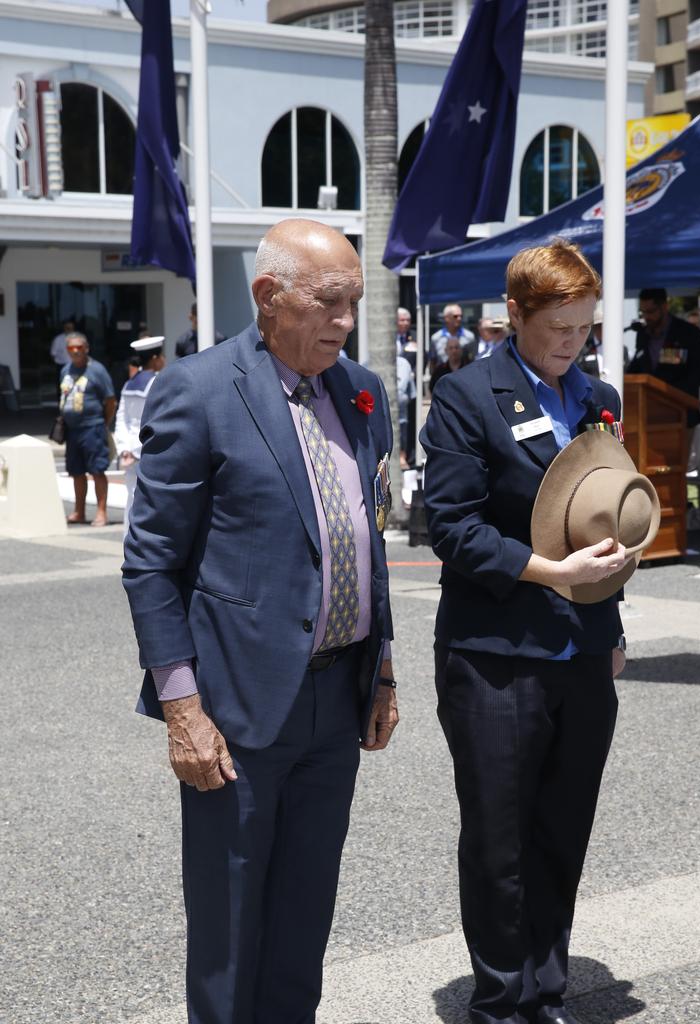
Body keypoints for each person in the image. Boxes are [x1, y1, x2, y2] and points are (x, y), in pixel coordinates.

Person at [122, 219, 399, 1024]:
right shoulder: (199, 391)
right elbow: (150, 563)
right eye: (330, 301)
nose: (345, 320)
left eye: (354, 301)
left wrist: (382, 668)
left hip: (336, 700)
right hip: (235, 708)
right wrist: (181, 708)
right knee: (230, 924)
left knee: (304, 919)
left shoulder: (364, 391)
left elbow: (369, 536)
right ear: (268, 297)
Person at [420, 240, 659, 1024]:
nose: (573, 344)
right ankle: (500, 999)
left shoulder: (594, 396)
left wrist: (611, 621)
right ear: (514, 314)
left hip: (583, 648)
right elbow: (451, 529)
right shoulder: (465, 395)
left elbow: (602, 521)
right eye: (558, 328)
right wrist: (551, 574)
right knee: (498, 839)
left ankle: (546, 990)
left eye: (585, 328)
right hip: (496, 653)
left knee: (562, 829)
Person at [59, 332, 116, 527]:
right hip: (72, 430)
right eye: (70, 348)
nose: (75, 352)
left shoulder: (97, 370)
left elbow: (110, 400)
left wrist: (103, 422)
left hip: (93, 427)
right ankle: (79, 511)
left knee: (97, 470)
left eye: (79, 348)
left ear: (86, 349)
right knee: (76, 471)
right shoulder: (65, 370)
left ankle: (101, 512)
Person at [627, 287, 700, 425]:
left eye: (651, 312)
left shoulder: (688, 333)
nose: (646, 317)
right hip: (650, 415)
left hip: (682, 414)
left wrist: (668, 395)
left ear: (664, 306)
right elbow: (637, 367)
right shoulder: (643, 335)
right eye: (643, 312)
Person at [114, 336, 166, 536]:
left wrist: (124, 449)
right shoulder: (157, 382)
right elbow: (154, 419)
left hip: (131, 450)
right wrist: (135, 450)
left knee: (131, 496)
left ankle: (130, 539)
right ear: (154, 358)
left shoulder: (130, 383)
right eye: (161, 356)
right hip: (148, 449)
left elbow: (122, 420)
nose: (163, 359)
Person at [430, 302, 476, 369]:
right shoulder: (436, 338)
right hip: (442, 375)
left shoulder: (469, 337)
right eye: (455, 316)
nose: (459, 319)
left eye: (461, 316)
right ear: (446, 318)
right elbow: (432, 361)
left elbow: (472, 359)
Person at [397, 352, 416, 469]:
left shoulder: (404, 364)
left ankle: (402, 457)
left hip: (401, 413)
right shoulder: (367, 363)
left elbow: (411, 392)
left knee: (403, 435)